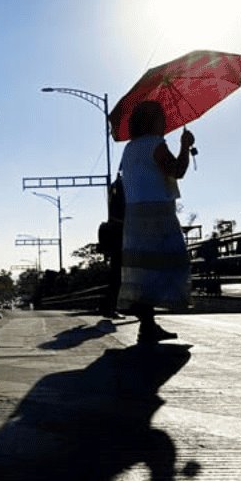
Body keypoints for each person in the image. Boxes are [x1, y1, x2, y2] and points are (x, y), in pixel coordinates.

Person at [116, 100, 193, 344]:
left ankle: (147, 325)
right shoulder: (156, 145)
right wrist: (184, 147)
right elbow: (177, 170)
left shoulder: (129, 149)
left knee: (143, 270)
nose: (165, 123)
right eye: (161, 118)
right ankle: (149, 325)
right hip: (157, 213)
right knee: (169, 263)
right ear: (152, 121)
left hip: (134, 216)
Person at [97, 174, 126, 320]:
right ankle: (110, 307)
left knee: (116, 273)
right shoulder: (124, 187)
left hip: (115, 236)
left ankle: (108, 306)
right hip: (121, 235)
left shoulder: (114, 188)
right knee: (119, 274)